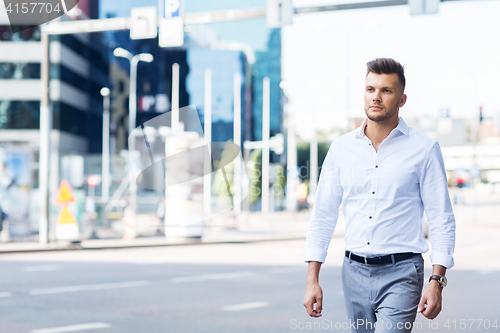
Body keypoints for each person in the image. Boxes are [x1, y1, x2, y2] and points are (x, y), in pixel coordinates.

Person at [303, 58, 455, 333]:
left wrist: (436, 281)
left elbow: (441, 217)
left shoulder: (424, 149)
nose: (376, 97)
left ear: (401, 99)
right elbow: (323, 215)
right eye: (370, 89)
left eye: (386, 90)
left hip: (402, 272)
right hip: (353, 272)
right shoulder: (340, 149)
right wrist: (312, 279)